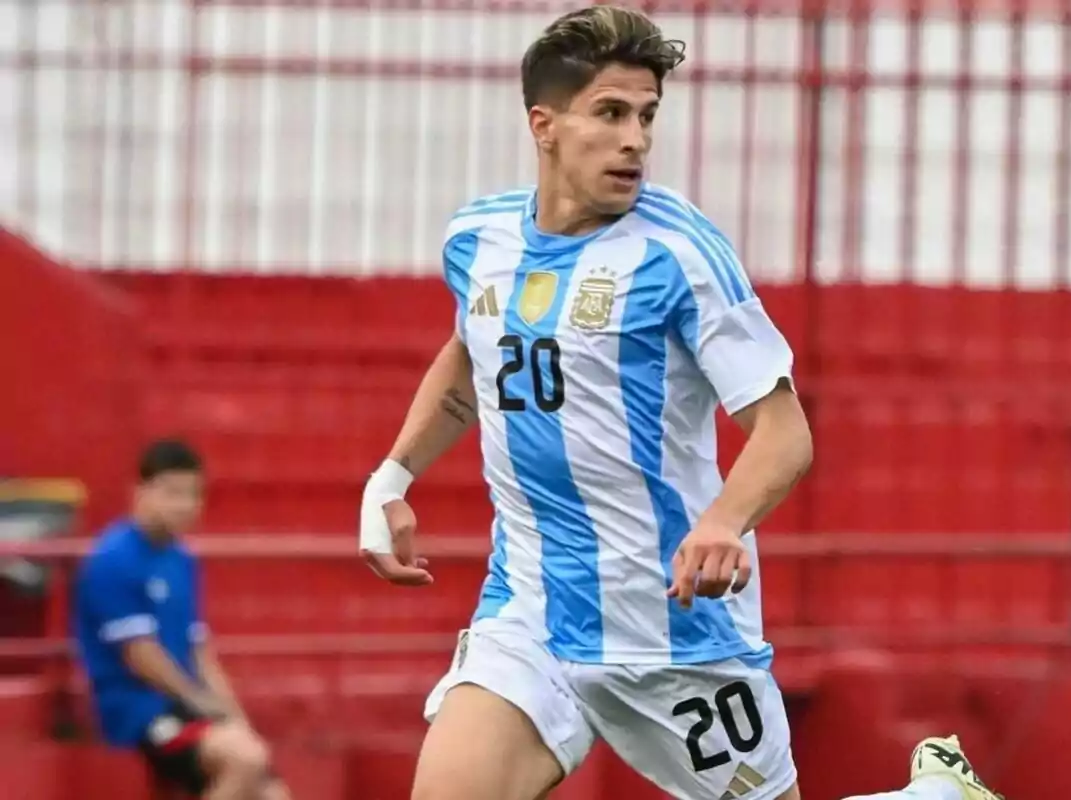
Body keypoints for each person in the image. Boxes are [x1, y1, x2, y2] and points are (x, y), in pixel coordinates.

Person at [358, 6, 1002, 800]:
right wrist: (391, 476)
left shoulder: (680, 253)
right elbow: (471, 356)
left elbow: (783, 430)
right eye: (611, 113)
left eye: (647, 116)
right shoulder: (478, 239)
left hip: (670, 623)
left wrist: (725, 520)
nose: (636, 139)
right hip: (531, 608)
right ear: (545, 124)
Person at [73, 439, 290, 800]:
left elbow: (199, 650)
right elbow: (141, 656)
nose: (186, 505)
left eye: (194, 494)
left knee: (274, 792)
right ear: (140, 492)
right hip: (138, 713)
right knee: (245, 761)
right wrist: (198, 701)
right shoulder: (112, 558)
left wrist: (236, 719)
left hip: (185, 709)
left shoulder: (181, 560)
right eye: (173, 493)